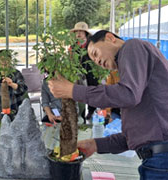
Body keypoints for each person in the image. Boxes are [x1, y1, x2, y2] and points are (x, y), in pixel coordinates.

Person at [48, 30, 168, 179]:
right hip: (156, 159)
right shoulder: (135, 77)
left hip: (161, 159)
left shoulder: (132, 46)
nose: (97, 62)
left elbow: (128, 95)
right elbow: (134, 137)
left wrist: (73, 91)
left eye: (96, 53)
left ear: (110, 38)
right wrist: (95, 144)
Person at [0, 49, 28, 123]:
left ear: (10, 60)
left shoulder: (16, 74)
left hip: (17, 112)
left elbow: (23, 89)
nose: (4, 62)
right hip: (0, 113)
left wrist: (11, 84)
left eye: (6, 59)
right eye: (1, 59)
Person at [70, 22, 99, 122]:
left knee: (92, 91)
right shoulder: (73, 46)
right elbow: (71, 59)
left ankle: (91, 111)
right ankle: (81, 114)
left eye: (81, 31)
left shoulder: (92, 44)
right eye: (77, 31)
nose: (78, 34)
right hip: (79, 72)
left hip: (91, 71)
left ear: (85, 33)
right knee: (79, 93)